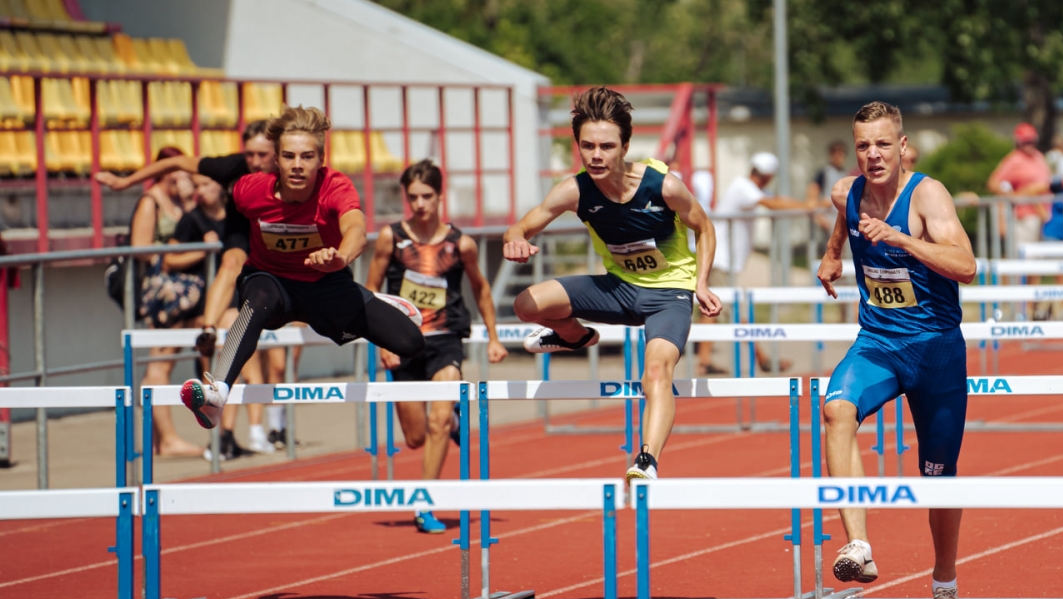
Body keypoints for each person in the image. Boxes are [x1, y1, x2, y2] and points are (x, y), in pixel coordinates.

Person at [502, 87, 721, 483]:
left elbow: (704, 228)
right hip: (618, 290)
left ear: (625, 146)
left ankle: (646, 460)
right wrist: (514, 239)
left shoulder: (663, 186)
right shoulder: (575, 190)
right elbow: (524, 223)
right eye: (587, 146)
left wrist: (701, 283)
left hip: (668, 295)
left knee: (656, 372)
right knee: (526, 304)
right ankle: (574, 337)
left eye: (606, 146)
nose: (596, 156)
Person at [816, 101, 977, 599]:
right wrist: (834, 253)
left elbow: (968, 267)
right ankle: (857, 545)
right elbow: (844, 216)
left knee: (938, 481)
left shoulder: (927, 195)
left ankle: (945, 581)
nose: (873, 155)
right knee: (836, 410)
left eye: (883, 144)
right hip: (879, 343)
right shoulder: (848, 191)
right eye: (864, 146)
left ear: (903, 146)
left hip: (936, 353)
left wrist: (904, 239)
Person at [177, 107, 425, 429]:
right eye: (289, 156)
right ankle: (217, 394)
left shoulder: (334, 187)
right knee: (258, 299)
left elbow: (356, 230)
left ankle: (374, 302)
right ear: (275, 160)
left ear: (321, 159)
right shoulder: (248, 192)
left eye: (307, 157)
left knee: (411, 343)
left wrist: (339, 257)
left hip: (325, 282)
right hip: (271, 283)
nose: (297, 165)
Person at [96, 120, 292, 444]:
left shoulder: (293, 168)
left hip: (284, 237)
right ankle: (210, 329)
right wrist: (124, 182)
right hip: (245, 236)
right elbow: (174, 162)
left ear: (278, 154)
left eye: (263, 155)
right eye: (251, 154)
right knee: (230, 263)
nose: (256, 162)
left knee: (283, 355)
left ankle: (274, 424)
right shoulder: (234, 166)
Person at [367, 160, 509, 533]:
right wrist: (379, 341)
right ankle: (449, 424)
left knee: (438, 419)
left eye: (427, 196)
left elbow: (480, 288)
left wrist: (493, 338)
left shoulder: (459, 243)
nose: (419, 204)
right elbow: (369, 292)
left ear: (439, 196)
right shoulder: (391, 238)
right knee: (415, 437)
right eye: (413, 196)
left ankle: (423, 503)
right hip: (402, 341)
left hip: (446, 341)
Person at [166, 173, 272, 457]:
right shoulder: (193, 220)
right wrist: (203, 250)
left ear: (221, 188)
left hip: (241, 300)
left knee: (248, 369)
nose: (200, 190)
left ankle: (244, 432)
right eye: (196, 185)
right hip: (209, 306)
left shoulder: (239, 218)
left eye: (206, 184)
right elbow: (169, 258)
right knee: (222, 370)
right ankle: (225, 435)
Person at [127, 147, 206, 458]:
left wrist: (187, 204)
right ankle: (168, 440)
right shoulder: (151, 202)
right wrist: (173, 256)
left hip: (181, 292)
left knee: (167, 361)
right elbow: (141, 249)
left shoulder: (178, 201)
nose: (184, 178)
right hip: (162, 292)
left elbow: (191, 225)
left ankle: (159, 440)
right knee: (160, 362)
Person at [704, 152, 809, 374]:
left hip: (721, 260)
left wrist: (808, 206)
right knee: (732, 312)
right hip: (720, 261)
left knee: (711, 310)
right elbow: (772, 202)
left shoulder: (749, 187)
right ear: (768, 176)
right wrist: (809, 208)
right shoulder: (743, 188)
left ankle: (704, 362)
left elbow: (778, 199)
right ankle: (762, 358)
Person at [985, 123, 1052, 251]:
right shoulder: (1014, 159)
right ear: (1019, 142)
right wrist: (1014, 196)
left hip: (1042, 212)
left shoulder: (1038, 156)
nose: (1030, 145)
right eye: (1026, 141)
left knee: (1038, 258)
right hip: (1025, 215)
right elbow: (993, 183)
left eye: (1032, 141)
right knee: (1027, 256)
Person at [808, 140, 853, 230]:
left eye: (842, 153)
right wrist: (819, 217)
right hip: (828, 219)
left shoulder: (844, 174)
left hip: (842, 219)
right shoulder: (824, 172)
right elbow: (811, 199)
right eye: (837, 153)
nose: (840, 157)